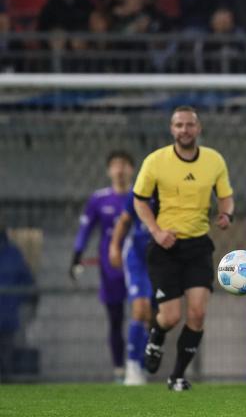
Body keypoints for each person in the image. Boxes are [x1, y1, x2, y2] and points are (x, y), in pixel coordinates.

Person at [133, 106, 234, 391]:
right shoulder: (155, 161)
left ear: (198, 129)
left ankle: (176, 376)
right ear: (171, 129)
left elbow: (226, 197)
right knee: (171, 316)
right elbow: (139, 200)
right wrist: (157, 231)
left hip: (199, 246)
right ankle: (157, 334)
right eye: (179, 125)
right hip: (165, 248)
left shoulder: (214, 160)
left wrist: (227, 214)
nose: (184, 130)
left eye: (190, 125)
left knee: (198, 314)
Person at [70, 151, 135, 382]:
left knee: (146, 313)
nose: (119, 169)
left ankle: (139, 366)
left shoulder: (141, 197)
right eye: (115, 165)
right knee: (115, 318)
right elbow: (85, 229)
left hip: (139, 263)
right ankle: (119, 370)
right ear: (109, 170)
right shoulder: (99, 199)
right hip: (111, 266)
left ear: (132, 169)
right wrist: (77, 254)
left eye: (124, 165)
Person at [109, 191, 158, 386]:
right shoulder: (141, 189)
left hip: (162, 259)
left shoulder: (177, 189)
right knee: (140, 308)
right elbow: (124, 221)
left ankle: (143, 362)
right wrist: (114, 247)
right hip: (137, 256)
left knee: (157, 316)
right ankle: (132, 366)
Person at [0, 226, 36, 384]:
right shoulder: (13, 255)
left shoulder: (13, 254)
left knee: (5, 361)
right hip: (9, 313)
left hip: (7, 316)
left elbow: (26, 281)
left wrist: (17, 299)